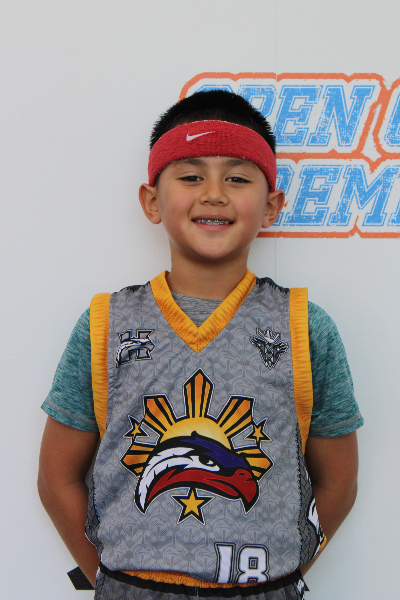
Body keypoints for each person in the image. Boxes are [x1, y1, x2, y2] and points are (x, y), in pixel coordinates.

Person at [38, 90, 363, 600]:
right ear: (152, 201)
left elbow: (338, 482)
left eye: (237, 178)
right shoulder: (105, 324)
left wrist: (279, 574)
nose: (214, 194)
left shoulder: (306, 327)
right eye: (191, 177)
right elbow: (56, 478)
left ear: (272, 205)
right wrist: (114, 580)